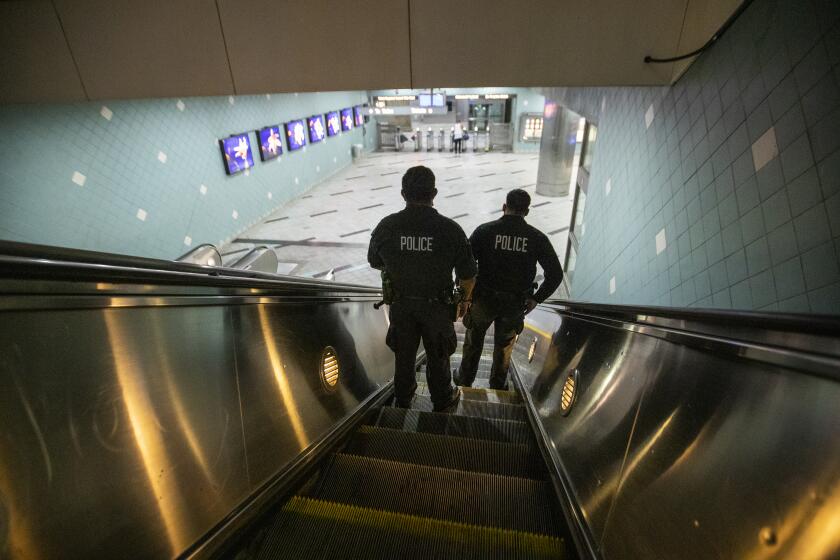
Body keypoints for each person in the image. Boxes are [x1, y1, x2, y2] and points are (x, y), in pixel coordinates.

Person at [368, 165, 476, 411]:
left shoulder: (387, 226)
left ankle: (403, 398)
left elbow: (375, 261)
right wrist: (463, 302)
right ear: (434, 193)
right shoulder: (450, 230)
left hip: (401, 305)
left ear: (403, 194)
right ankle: (442, 399)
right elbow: (468, 275)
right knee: (439, 356)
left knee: (403, 356)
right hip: (437, 308)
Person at [455, 188, 563, 390]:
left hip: (483, 299)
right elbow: (556, 274)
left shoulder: (484, 231)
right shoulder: (536, 238)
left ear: (504, 207)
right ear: (527, 212)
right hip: (514, 303)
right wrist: (536, 298)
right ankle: (497, 384)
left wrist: (465, 297)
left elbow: (464, 265)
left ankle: (464, 380)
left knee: (473, 340)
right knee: (504, 347)